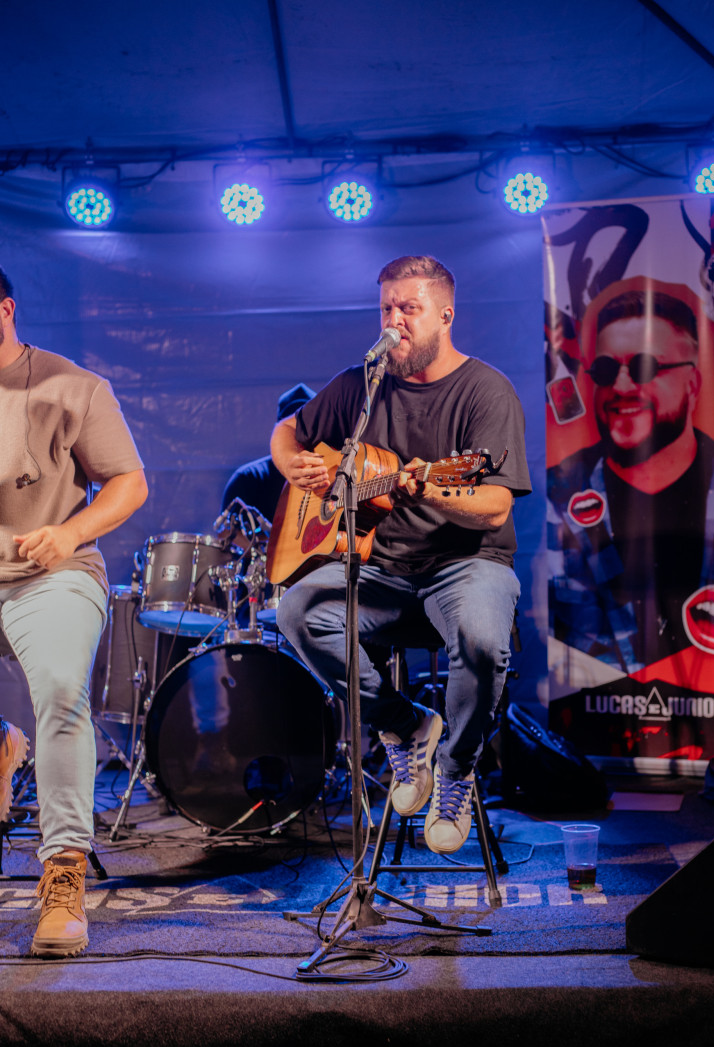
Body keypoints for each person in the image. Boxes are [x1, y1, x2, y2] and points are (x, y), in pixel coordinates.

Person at [271, 255, 530, 853]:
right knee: (297, 612)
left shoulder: (486, 391)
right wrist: (294, 467)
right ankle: (406, 724)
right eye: (386, 308)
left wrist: (432, 488)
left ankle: (456, 769)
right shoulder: (360, 385)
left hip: (466, 566)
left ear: (445, 314)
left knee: (482, 639)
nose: (394, 321)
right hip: (382, 571)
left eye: (409, 308)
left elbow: (495, 506)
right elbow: (287, 431)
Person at [0, 266, 147, 956]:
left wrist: (70, 532)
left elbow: (129, 482)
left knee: (61, 689)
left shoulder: (72, 386)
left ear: (6, 310)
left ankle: (63, 876)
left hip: (52, 573)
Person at [548, 286, 714, 673]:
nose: (621, 386)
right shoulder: (559, 498)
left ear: (693, 386)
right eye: (605, 370)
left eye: (645, 367)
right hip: (602, 705)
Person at [221, 382, 315, 523]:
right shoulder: (248, 479)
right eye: (292, 425)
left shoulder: (334, 475)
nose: (301, 432)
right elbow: (230, 532)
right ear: (280, 431)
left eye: (308, 424)